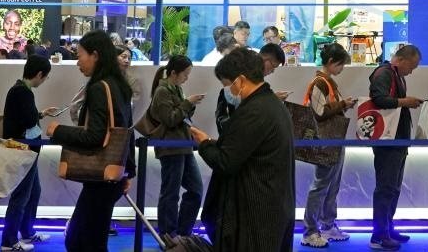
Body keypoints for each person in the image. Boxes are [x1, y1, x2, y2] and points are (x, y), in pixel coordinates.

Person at [191, 48, 295, 251]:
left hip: (255, 214)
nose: (227, 90)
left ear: (239, 81)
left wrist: (204, 143)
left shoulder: (254, 111)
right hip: (272, 208)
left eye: (226, 84)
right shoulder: (272, 104)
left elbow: (226, 162)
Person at [47, 31, 135, 252]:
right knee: (90, 239)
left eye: (80, 56)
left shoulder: (98, 88)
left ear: (95, 55)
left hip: (100, 179)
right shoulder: (120, 85)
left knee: (81, 241)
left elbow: (94, 136)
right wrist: (127, 172)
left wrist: (58, 131)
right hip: (112, 175)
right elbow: (127, 131)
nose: (78, 62)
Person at [301, 43, 356, 249]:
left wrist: (342, 105)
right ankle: (310, 231)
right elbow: (319, 113)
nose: (342, 69)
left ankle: (327, 225)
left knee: (331, 185)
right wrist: (342, 105)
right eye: (341, 64)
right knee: (321, 185)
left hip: (333, 140)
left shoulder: (328, 82)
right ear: (331, 62)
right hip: (325, 141)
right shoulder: (320, 82)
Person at [369, 44, 423, 251]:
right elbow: (378, 99)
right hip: (387, 143)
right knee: (385, 188)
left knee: (393, 188)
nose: (412, 71)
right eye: (411, 66)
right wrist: (404, 102)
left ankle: (387, 228)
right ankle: (379, 235)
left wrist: (405, 102)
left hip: (397, 141)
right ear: (401, 60)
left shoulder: (395, 75)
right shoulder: (384, 73)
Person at [0, 55, 56, 252]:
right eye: (46, 76)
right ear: (39, 74)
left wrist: (41, 114)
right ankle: (8, 241)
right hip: (23, 151)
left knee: (33, 192)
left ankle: (26, 232)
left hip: (27, 151)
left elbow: (24, 117)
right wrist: (37, 116)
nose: (45, 80)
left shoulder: (20, 90)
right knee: (21, 197)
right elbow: (29, 121)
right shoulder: (22, 92)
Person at [147, 55, 205, 238]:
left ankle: (182, 233)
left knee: (195, 189)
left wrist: (189, 105)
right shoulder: (162, 91)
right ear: (174, 73)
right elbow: (170, 119)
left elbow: (179, 116)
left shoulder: (176, 89)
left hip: (183, 145)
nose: (187, 78)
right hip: (171, 147)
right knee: (170, 192)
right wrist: (188, 103)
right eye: (185, 74)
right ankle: (168, 234)